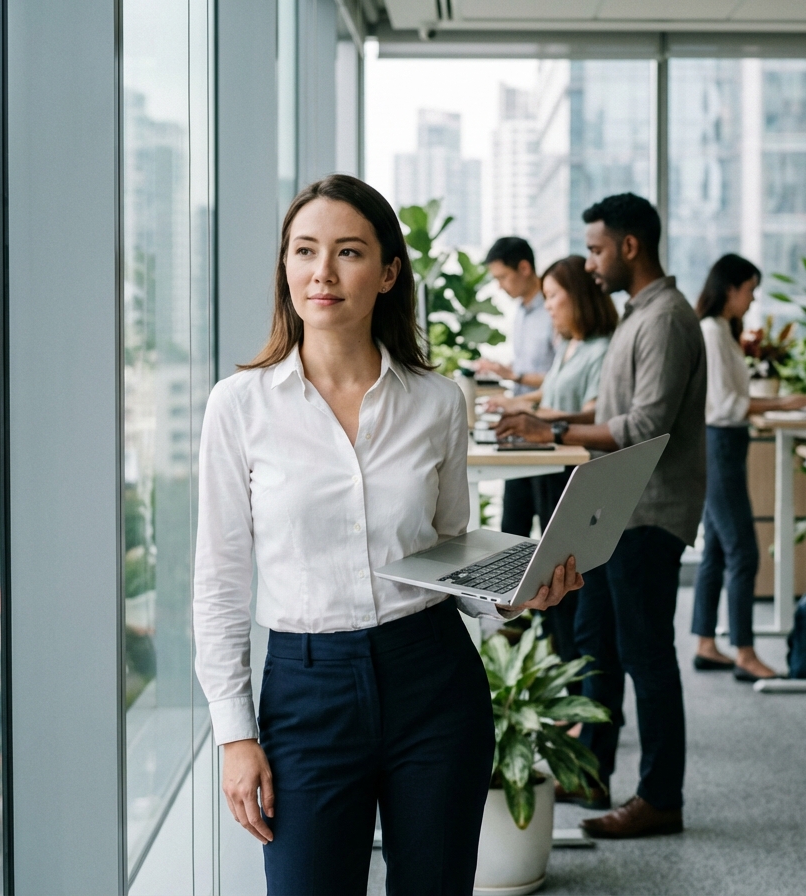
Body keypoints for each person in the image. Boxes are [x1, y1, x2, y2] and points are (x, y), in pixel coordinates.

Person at [192, 175, 581, 896]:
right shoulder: (239, 407)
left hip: (432, 679)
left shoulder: (436, 401)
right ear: (285, 267)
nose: (323, 273)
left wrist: (516, 594)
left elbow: (447, 549)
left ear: (389, 272)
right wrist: (234, 734)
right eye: (305, 251)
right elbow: (217, 583)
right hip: (307, 693)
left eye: (348, 252)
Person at [497, 193, 705, 839]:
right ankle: (591, 773)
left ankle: (660, 798)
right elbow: (607, 410)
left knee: (646, 656)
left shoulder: (665, 319)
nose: (590, 264)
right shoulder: (637, 317)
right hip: (618, 506)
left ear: (630, 246)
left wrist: (556, 432)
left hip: (649, 509)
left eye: (596, 249)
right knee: (599, 644)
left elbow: (644, 426)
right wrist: (547, 424)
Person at [486, 255, 618, 674]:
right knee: (548, 579)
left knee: (568, 584)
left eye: (553, 296)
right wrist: (515, 406)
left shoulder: (602, 349)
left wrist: (540, 421)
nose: (547, 306)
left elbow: (594, 413)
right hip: (551, 470)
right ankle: (560, 674)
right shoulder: (569, 345)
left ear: (577, 296)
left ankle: (575, 687)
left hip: (574, 473)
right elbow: (550, 399)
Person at [690, 254, 806, 681]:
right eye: (750, 289)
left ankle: (706, 642)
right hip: (719, 444)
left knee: (720, 550)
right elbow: (723, 404)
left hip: (724, 444)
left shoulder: (722, 329)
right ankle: (744, 651)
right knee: (743, 549)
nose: (753, 298)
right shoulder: (710, 331)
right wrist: (782, 402)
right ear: (730, 288)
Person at [477, 236, 556, 538]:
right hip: (520, 425)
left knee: (549, 525)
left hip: (544, 425)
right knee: (512, 525)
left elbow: (559, 378)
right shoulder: (521, 313)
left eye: (502, 277)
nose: (500, 286)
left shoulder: (552, 311)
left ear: (524, 268)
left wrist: (512, 374)